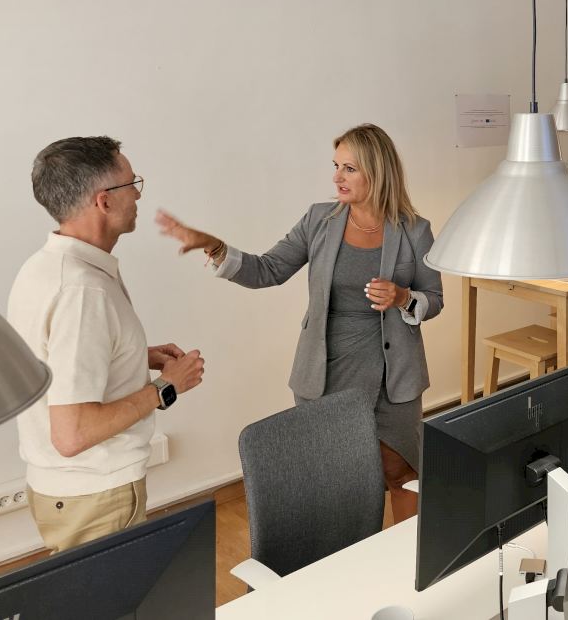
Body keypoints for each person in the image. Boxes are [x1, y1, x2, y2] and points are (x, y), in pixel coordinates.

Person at [155, 123, 441, 523]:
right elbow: (267, 269)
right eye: (336, 166)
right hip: (326, 373)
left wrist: (403, 297)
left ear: (378, 171)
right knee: (338, 482)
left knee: (402, 474)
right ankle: (351, 557)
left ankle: (409, 558)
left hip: (392, 379)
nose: (337, 178)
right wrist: (214, 247)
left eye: (349, 169)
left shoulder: (415, 230)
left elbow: (434, 298)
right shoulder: (319, 220)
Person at [8, 136, 205, 554]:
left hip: (70, 493)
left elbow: (57, 363)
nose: (138, 195)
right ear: (104, 200)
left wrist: (134, 357)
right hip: (96, 496)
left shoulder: (45, 267)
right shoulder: (82, 291)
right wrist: (166, 387)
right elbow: (73, 433)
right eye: (132, 183)